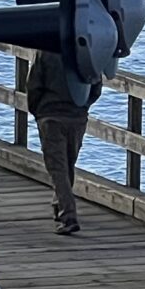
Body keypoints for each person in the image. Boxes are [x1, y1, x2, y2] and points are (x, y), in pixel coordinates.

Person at [21, 46, 90, 237]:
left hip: (50, 114)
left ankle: (68, 216)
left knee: (58, 168)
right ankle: (59, 207)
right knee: (68, 164)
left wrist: (37, 110)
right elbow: (95, 81)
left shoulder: (45, 51)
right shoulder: (85, 49)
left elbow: (33, 84)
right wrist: (84, 105)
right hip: (77, 115)